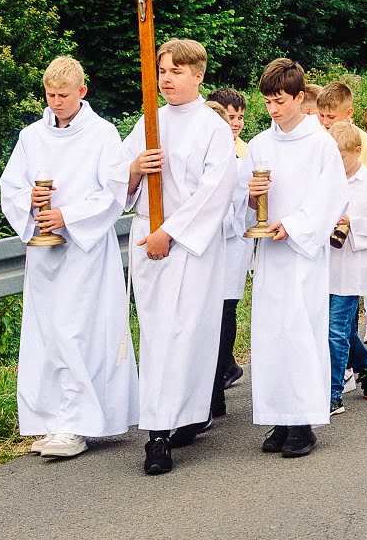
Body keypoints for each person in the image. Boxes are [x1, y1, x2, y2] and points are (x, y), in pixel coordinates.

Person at [0, 55, 137, 459]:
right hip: (44, 251)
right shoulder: (31, 137)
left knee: (76, 330)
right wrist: (31, 200)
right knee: (47, 332)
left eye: (63, 95)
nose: (56, 102)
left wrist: (68, 215)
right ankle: (54, 419)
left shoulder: (102, 134)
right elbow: (11, 186)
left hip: (85, 250)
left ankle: (81, 422)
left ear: (82, 92)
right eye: (50, 95)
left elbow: (112, 193)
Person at [124, 38, 238, 476]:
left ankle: (187, 416)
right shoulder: (149, 122)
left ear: (198, 76)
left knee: (188, 333)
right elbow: (119, 174)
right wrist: (135, 169)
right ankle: (156, 436)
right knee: (157, 336)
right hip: (148, 241)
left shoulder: (212, 128)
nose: (166, 79)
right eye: (162, 71)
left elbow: (215, 191)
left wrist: (169, 232)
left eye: (175, 71)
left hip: (189, 246)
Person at [243, 56, 348, 459]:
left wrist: (296, 225)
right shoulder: (258, 145)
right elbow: (245, 202)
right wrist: (252, 197)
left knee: (300, 330)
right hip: (271, 253)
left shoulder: (320, 142)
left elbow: (331, 195)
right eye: (268, 101)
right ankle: (279, 416)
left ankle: (303, 420)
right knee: (270, 334)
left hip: (302, 253)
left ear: (300, 97)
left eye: (280, 101)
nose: (273, 109)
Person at [325, 120, 367, 417]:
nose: (338, 164)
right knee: (343, 331)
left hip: (355, 267)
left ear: (358, 152)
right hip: (327, 265)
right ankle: (365, 370)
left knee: (336, 330)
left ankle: (333, 393)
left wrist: (352, 223)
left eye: (342, 157)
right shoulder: (324, 181)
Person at [205, 89, 252, 395]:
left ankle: (221, 375)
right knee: (211, 313)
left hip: (232, 242)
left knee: (225, 309)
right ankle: (224, 369)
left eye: (239, 117)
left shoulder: (244, 153)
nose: (235, 123)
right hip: (209, 243)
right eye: (229, 117)